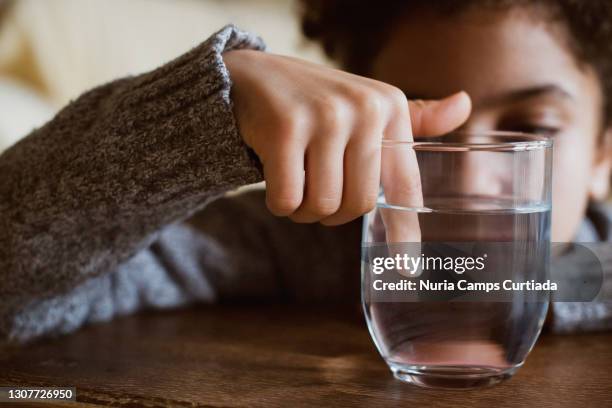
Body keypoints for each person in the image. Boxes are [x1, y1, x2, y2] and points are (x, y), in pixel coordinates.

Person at [1, 0, 611, 344]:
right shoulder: (292, 240)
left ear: (604, 156)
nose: (472, 183)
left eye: (531, 129)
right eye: (419, 129)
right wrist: (203, 110)